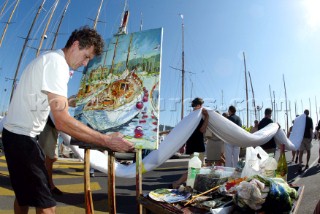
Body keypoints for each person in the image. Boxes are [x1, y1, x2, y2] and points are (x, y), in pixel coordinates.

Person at [2, 26, 134, 214]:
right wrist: (106, 140)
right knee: (47, 206)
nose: (85, 63)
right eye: (86, 56)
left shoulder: (49, 59)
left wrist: (70, 101)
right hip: (23, 138)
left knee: (23, 196)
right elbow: (62, 121)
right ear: (76, 44)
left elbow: (47, 100)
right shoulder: (57, 64)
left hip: (14, 134)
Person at [171, 97, 209, 188]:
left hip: (192, 145)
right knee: (194, 168)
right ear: (199, 105)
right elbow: (202, 129)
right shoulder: (199, 117)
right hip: (197, 146)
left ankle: (192, 184)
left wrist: (183, 144)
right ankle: (178, 183)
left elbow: (185, 132)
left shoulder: (191, 116)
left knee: (200, 166)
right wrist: (207, 117)